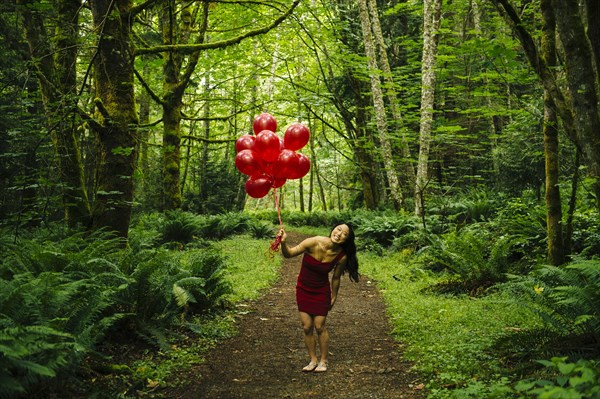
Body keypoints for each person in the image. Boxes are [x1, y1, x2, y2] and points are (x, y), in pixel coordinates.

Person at [279, 223, 359, 373]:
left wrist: (334, 296)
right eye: (338, 229)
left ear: (346, 240)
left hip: (321, 291)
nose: (339, 233)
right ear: (333, 229)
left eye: (344, 234)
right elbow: (289, 254)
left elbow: (336, 278)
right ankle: (313, 360)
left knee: (319, 326)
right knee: (307, 327)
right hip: (303, 289)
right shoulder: (313, 242)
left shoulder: (341, 256)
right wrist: (283, 242)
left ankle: (323, 361)